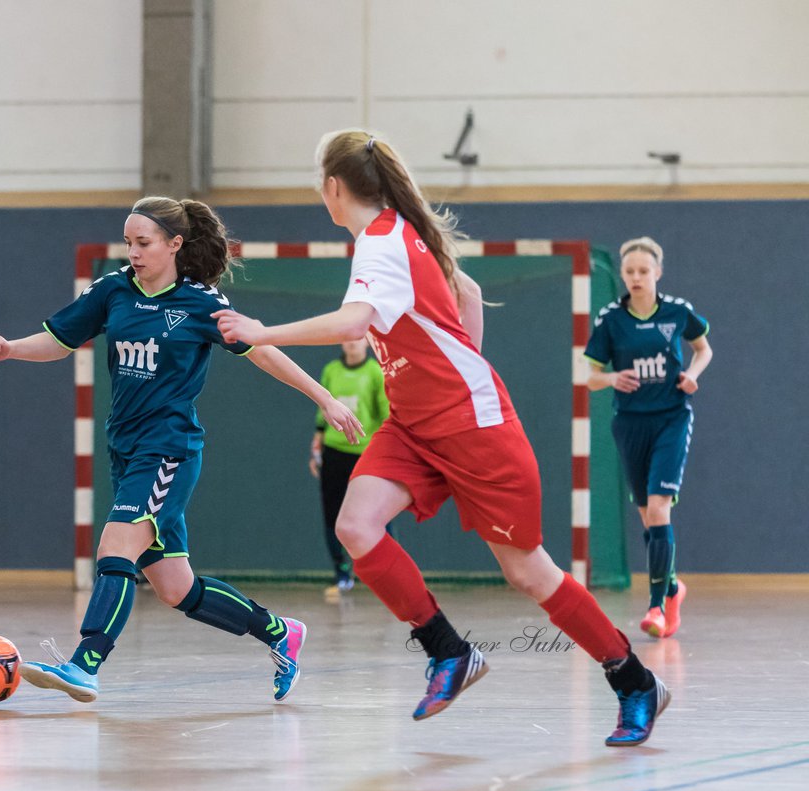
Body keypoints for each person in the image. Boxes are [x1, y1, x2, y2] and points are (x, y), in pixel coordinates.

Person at [214, 129, 670, 747]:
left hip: (475, 430)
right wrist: (455, 366)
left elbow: (353, 321)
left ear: (332, 187)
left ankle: (634, 680)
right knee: (355, 526)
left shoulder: (381, 242)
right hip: (414, 425)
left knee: (529, 573)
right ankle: (449, 651)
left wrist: (261, 333)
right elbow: (470, 293)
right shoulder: (401, 234)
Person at [0, 196, 364, 703]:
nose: (133, 252)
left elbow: (263, 352)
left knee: (116, 549)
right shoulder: (113, 291)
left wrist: (326, 397)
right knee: (175, 588)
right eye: (128, 243)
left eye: (143, 243)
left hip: (168, 451)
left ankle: (85, 663)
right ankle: (280, 633)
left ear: (174, 244)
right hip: (126, 450)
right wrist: (12, 349)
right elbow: (61, 339)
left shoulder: (201, 304)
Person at [585, 237, 711, 639]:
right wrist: (610, 378)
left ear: (657, 272)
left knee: (659, 510)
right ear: (622, 275)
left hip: (671, 419)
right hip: (629, 423)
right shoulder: (610, 319)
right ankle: (673, 589)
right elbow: (590, 376)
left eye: (644, 270)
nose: (636, 277)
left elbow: (703, 349)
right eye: (629, 271)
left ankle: (656, 606)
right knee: (647, 515)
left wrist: (693, 375)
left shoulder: (677, 312)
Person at [310, 338, 389, 598]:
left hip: (366, 453)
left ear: (367, 342)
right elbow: (323, 412)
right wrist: (317, 444)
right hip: (334, 452)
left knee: (378, 516)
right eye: (347, 338)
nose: (352, 343)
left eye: (358, 338)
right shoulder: (332, 370)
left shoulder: (375, 372)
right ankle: (342, 574)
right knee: (332, 514)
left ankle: (386, 575)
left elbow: (385, 414)